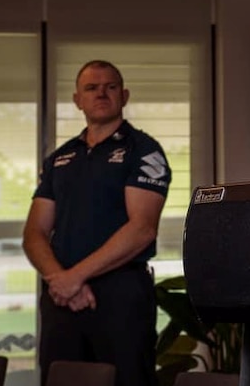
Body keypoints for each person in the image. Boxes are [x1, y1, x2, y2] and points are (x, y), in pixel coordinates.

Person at [23, 60, 171, 386]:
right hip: (62, 296)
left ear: (124, 95)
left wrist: (74, 277)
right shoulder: (60, 158)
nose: (101, 93)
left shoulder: (144, 151)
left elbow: (142, 228)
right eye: (91, 87)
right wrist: (59, 280)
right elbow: (34, 233)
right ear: (78, 99)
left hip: (121, 294)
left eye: (110, 86)